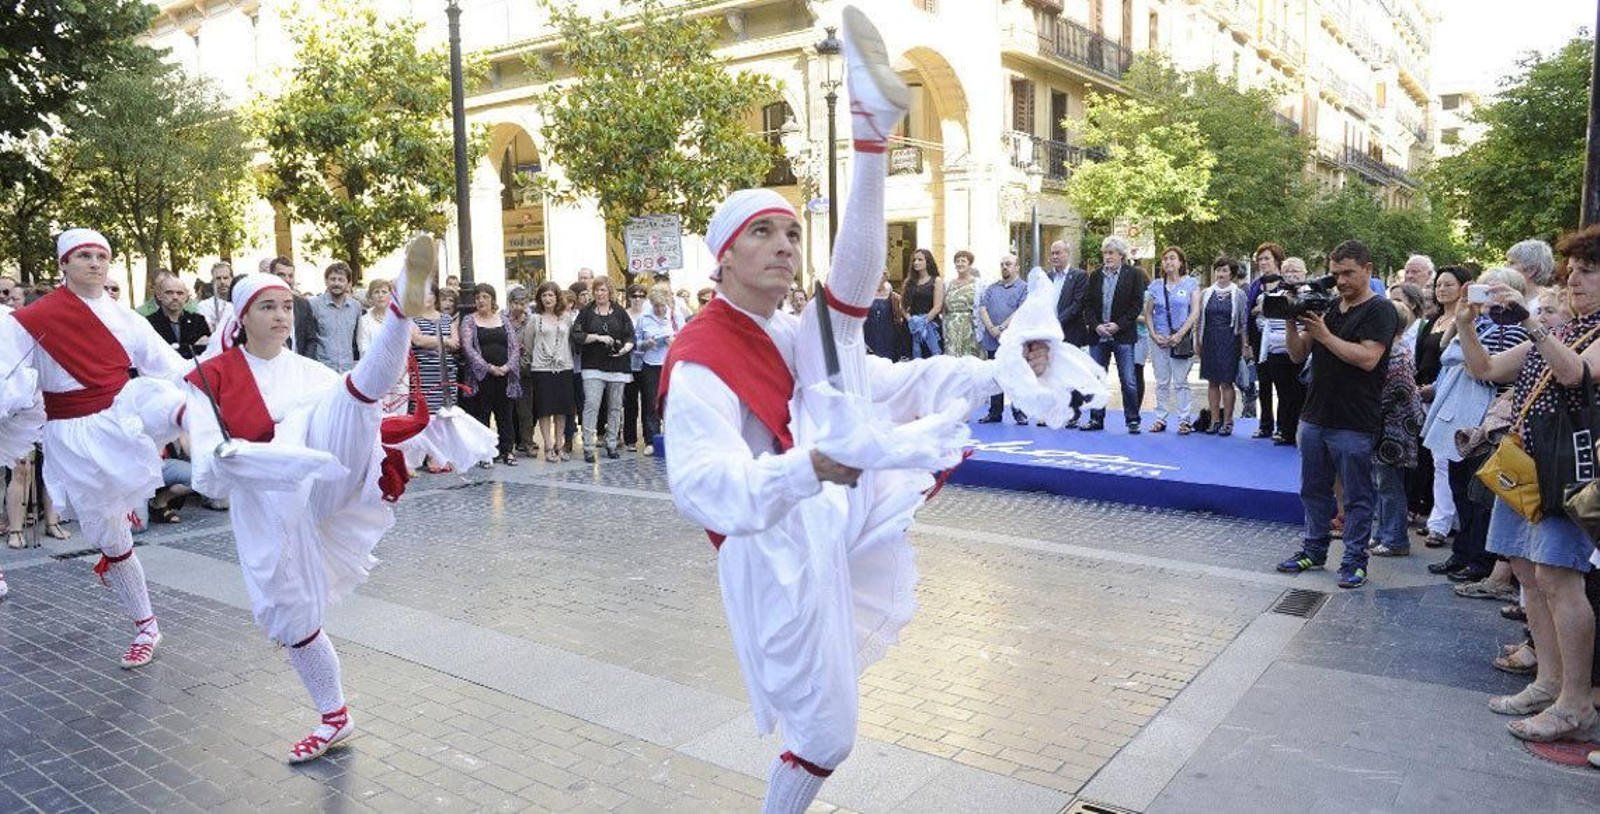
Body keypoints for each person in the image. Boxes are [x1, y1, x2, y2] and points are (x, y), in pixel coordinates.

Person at [659, 11, 1071, 809]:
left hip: (823, 521)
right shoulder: (701, 355)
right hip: (772, 546)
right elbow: (701, 485)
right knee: (825, 734)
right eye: (763, 234)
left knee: (838, 336)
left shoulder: (787, 328)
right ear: (725, 257)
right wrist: (804, 467)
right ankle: (870, 134)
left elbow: (880, 378)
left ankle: (870, 134)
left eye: (788, 231)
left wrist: (995, 368)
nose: (783, 244)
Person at [0, 228, 191, 667]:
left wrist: (218, 378)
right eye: (83, 255)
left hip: (122, 420)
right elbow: (9, 377)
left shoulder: (127, 319)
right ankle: (147, 625)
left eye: (100, 256)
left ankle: (226, 442)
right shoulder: (30, 321)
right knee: (111, 537)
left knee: (163, 401)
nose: (93, 263)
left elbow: (170, 368)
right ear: (64, 264)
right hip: (71, 439)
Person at [1460, 225, 1600, 744]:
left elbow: (1576, 376)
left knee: (1560, 580)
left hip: (1568, 474)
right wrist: (1466, 326)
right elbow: (1487, 368)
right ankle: (1549, 683)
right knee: (1530, 573)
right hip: (1529, 469)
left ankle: (1575, 703)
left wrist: (1533, 325)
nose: (1575, 281)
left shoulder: (1578, 334)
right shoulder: (1566, 329)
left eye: (1588, 271)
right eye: (1572, 272)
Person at [1275, 240, 1399, 590]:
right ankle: (1313, 550)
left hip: (1354, 420)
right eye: (1335, 274)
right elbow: (1299, 355)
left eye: (1348, 273)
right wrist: (1291, 322)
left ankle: (1355, 561)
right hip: (1315, 414)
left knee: (1358, 496)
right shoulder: (1328, 307)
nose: (1341, 281)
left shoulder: (1381, 310)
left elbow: (1368, 358)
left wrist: (1325, 335)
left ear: (1368, 270)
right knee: (1312, 490)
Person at [1425, 267, 1528, 585]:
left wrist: (1467, 349)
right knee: (1460, 487)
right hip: (1464, 417)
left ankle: (1479, 558)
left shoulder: (1515, 330)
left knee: (1479, 494)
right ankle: (1463, 552)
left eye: (1492, 290)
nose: (1485, 295)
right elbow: (1447, 351)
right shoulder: (1478, 322)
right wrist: (1463, 320)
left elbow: (1485, 369)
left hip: (1490, 421)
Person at [1414, 267, 1468, 547]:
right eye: (1439, 284)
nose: (1442, 289)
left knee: (1446, 461)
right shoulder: (1432, 320)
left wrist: (1435, 388)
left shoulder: (1466, 320)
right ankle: (1442, 517)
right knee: (1434, 460)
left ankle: (1442, 522)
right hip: (1423, 392)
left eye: (1449, 284)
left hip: (1448, 393)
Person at [1368, 301, 1423, 557]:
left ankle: (1394, 539)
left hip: (1393, 428)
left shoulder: (1396, 353)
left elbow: (1393, 392)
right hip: (1389, 426)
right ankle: (1383, 534)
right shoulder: (1395, 349)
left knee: (1389, 484)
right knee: (1382, 483)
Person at [1080, 236, 1145, 433]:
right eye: (1105, 253)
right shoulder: (1096, 276)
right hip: (1098, 336)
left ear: (1121, 256)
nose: (1107, 257)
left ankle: (1132, 420)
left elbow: (1136, 305)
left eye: (1111, 253)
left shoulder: (1133, 275)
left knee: (1128, 379)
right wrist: (1096, 325)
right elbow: (1088, 304)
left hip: (1123, 335)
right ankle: (1096, 419)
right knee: (1097, 379)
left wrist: (1118, 325)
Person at [572, 276, 634, 461]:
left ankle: (612, 442)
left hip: (618, 365)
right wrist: (597, 337)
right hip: (593, 365)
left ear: (610, 292)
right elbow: (576, 334)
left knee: (615, 407)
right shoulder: (587, 312)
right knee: (591, 404)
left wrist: (624, 349)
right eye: (597, 290)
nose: (600, 293)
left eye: (603, 290)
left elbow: (630, 335)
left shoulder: (620, 312)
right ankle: (589, 446)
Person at [460, 283, 521, 466]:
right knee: (482, 413)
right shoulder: (469, 320)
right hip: (482, 376)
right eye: (478, 297)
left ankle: (507, 450)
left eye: (485, 297)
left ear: (492, 299)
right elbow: (468, 348)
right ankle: (485, 453)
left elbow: (514, 346)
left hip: (504, 374)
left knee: (506, 413)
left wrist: (507, 366)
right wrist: (488, 367)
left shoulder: (503, 319)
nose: (481, 301)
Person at [1145, 247, 1199, 434]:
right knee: (1161, 381)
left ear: (1181, 262)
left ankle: (1184, 419)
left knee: (1181, 381)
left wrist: (1180, 334)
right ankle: (1160, 417)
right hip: (1159, 339)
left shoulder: (1190, 284)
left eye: (1172, 258)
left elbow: (1194, 312)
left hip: (1179, 339)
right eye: (1165, 259)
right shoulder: (1155, 286)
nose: (1168, 262)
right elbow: (1149, 313)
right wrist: (1153, 334)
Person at [1195, 257, 1248, 436]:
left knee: (1227, 382)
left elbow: (1243, 323)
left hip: (1230, 340)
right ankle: (1214, 420)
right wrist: (1197, 341)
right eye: (1218, 270)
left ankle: (1228, 421)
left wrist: (1245, 346)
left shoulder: (1239, 294)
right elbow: (1199, 320)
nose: (1220, 274)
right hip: (1209, 339)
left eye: (1225, 270)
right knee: (1212, 382)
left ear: (1232, 274)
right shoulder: (1206, 293)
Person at [410, 286, 460, 473]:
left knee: (443, 416)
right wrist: (444, 340)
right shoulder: (413, 319)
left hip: (445, 372)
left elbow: (456, 343)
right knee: (425, 414)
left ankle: (440, 454)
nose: (426, 297)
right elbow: (417, 341)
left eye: (430, 293)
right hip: (424, 372)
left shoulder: (447, 319)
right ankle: (427, 455)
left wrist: (443, 341)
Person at [525, 281, 576, 462]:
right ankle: (547, 446)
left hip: (564, 366)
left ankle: (559, 444)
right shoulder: (535, 319)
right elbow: (529, 344)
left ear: (557, 297)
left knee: (562, 409)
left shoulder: (566, 317)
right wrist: (541, 357)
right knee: (545, 409)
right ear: (539, 298)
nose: (547, 299)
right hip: (542, 368)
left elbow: (571, 340)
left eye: (551, 295)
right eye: (544, 295)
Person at [978, 254, 1030, 424]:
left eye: (1008, 264)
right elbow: (983, 308)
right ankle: (995, 412)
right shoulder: (992, 288)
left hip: (1013, 340)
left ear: (1017, 267)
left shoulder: (1024, 288)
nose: (1004, 267)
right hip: (992, 339)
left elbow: (1021, 311)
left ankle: (1019, 411)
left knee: (1016, 376)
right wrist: (991, 328)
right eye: (1002, 264)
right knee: (995, 375)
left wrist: (1001, 328)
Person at [354, 279, 411, 417]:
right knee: (379, 416)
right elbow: (364, 348)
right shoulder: (365, 321)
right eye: (376, 292)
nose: (380, 295)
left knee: (400, 415)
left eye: (384, 292)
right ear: (370, 297)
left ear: (390, 295)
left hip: (400, 374)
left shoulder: (399, 317)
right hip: (376, 375)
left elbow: (405, 345)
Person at [1050, 240, 1091, 427]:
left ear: (1067, 254)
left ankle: (1074, 412)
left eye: (1058, 253)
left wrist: (1056, 322)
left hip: (1071, 332)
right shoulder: (1048, 277)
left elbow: (1078, 304)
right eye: (1052, 253)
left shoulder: (1080, 276)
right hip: (1050, 335)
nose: (1055, 257)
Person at [632, 285, 676, 448]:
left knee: (670, 401)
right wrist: (646, 344)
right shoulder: (644, 319)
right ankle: (652, 440)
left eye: (662, 306)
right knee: (650, 402)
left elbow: (685, 338)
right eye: (656, 306)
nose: (659, 309)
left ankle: (672, 437)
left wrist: (673, 342)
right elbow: (636, 344)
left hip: (669, 363)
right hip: (650, 364)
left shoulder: (674, 317)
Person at [309, 261, 362, 373]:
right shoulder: (314, 305)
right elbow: (309, 338)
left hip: (347, 370)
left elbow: (356, 340)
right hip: (322, 370)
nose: (336, 283)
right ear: (325, 281)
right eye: (333, 279)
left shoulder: (356, 307)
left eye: (341, 280)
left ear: (348, 283)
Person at [145, 273, 211, 359]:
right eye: (169, 293)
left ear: (186, 297)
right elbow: (153, 356)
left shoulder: (198, 321)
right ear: (159, 296)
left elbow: (207, 353)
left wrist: (174, 349)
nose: (175, 297)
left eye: (180, 293)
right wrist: (191, 348)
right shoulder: (148, 323)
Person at [504, 286, 536, 455]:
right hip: (506, 369)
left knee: (525, 411)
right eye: (515, 303)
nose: (518, 307)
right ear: (510, 303)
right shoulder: (503, 320)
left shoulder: (532, 320)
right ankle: (509, 444)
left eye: (522, 303)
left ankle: (528, 442)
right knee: (507, 411)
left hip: (525, 370)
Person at [902, 248, 944, 359]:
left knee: (931, 361)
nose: (916, 262)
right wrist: (911, 321)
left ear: (928, 262)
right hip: (911, 326)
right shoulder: (908, 282)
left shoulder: (936, 280)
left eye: (920, 260)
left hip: (930, 325)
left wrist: (923, 322)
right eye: (914, 260)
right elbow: (903, 305)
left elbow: (937, 306)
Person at [943, 250, 981, 359]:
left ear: (970, 264)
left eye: (963, 261)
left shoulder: (978, 284)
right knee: (951, 360)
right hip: (951, 328)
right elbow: (943, 307)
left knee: (970, 360)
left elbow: (982, 306)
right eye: (957, 261)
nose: (960, 263)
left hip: (970, 326)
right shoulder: (947, 284)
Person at [1505, 238, 1555, 313]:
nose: (1505, 267)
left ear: (1531, 270)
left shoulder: (1550, 302)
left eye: (1512, 263)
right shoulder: (1507, 299)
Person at [863, 273, 902, 360]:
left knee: (888, 356)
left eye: (884, 274)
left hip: (887, 330)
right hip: (869, 330)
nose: (881, 277)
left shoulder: (889, 289)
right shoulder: (865, 290)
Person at [196, 261, 235, 335]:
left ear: (232, 279)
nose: (222, 282)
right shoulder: (205, 306)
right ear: (213, 281)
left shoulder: (240, 302)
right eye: (218, 278)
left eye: (226, 278)